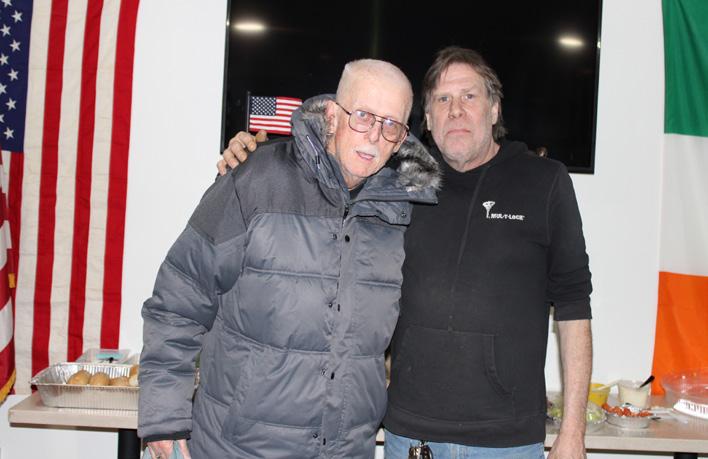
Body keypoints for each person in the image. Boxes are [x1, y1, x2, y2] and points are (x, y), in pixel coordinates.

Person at [221, 47, 593, 459]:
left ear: (494, 110)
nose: (455, 110)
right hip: (411, 437)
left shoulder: (545, 182)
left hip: (509, 442)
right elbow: (329, 162)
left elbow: (574, 306)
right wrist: (255, 151)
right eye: (442, 99)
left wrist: (573, 431)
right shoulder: (396, 183)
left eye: (469, 96)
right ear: (427, 120)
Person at [139, 59, 440, 459]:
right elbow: (178, 300)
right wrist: (163, 415)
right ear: (332, 115)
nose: (374, 135)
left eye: (391, 125)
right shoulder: (256, 179)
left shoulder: (404, 212)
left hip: (344, 451)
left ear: (402, 138)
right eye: (363, 116)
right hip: (237, 448)